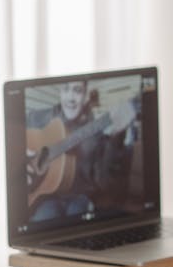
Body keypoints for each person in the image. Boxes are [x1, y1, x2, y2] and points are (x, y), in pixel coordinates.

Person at [26, 80, 136, 221]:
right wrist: (20, 160)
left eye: (77, 91)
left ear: (85, 95)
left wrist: (117, 138)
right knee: (41, 224)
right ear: (60, 92)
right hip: (46, 198)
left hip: (80, 198)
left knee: (78, 224)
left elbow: (104, 182)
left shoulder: (95, 132)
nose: (71, 98)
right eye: (65, 89)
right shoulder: (37, 119)